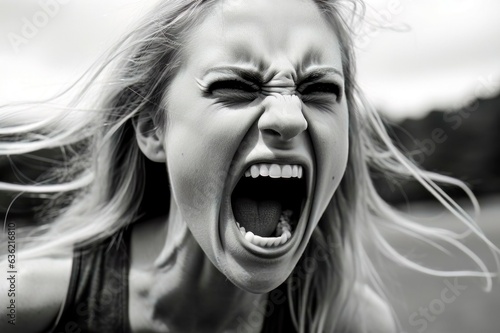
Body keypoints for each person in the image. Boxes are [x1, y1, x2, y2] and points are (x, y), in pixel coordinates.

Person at [0, 0, 497, 332]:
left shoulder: (352, 322)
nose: (289, 117)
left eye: (319, 90)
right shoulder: (22, 300)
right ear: (153, 130)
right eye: (235, 86)